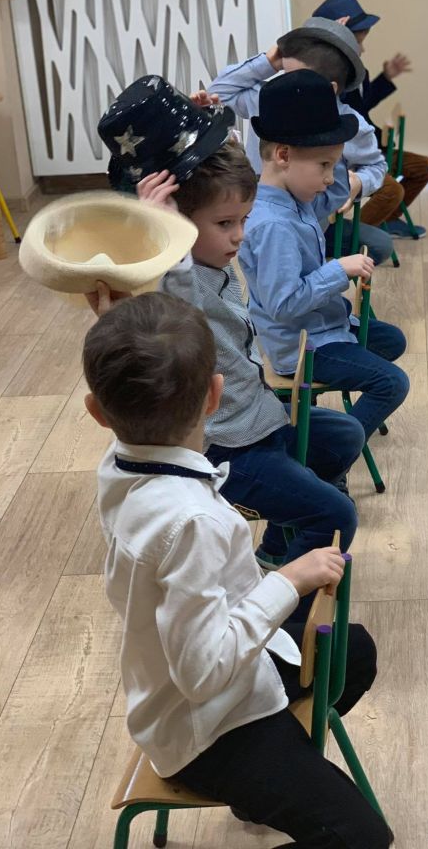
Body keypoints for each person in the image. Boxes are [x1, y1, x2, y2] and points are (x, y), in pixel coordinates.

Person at [83, 292, 392, 848]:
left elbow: (132, 399)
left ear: (98, 413)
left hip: (217, 680)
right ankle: (262, 779)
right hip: (207, 731)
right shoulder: (191, 523)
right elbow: (203, 674)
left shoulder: (120, 461)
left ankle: (266, 788)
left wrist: (114, 325)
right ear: (215, 395)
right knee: (361, 839)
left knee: (354, 650)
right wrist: (287, 581)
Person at [95, 76, 364, 581]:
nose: (240, 235)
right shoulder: (174, 280)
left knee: (344, 435)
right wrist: (163, 230)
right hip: (226, 449)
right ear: (176, 227)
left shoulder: (207, 254)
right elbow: (175, 280)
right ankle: (287, 612)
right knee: (335, 515)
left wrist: (210, 131)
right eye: (225, 224)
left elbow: (224, 183)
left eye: (243, 219)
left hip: (257, 416)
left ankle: (277, 549)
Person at [240, 68, 409, 444]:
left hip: (324, 327)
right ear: (283, 155)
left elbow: (335, 191)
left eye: (333, 164)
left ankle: (331, 433)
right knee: (392, 384)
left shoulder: (296, 199)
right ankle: (332, 453)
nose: (331, 177)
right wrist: (338, 270)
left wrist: (333, 147)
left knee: (392, 341)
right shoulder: (273, 225)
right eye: (324, 166)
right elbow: (283, 304)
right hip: (301, 345)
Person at [210, 16, 400, 262]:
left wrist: (358, 183)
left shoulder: (350, 124)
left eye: (297, 79)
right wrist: (268, 62)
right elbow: (219, 92)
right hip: (258, 208)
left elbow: (376, 166)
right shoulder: (269, 100)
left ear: (330, 89)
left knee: (378, 246)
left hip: (310, 214)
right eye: (283, 74)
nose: (286, 83)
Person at [313, 0, 428, 238]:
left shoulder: (360, 73)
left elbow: (364, 103)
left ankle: (385, 221)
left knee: (424, 167)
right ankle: (354, 237)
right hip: (348, 156)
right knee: (391, 190)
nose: (363, 48)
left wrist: (386, 77)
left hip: (373, 148)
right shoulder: (330, 79)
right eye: (358, 41)